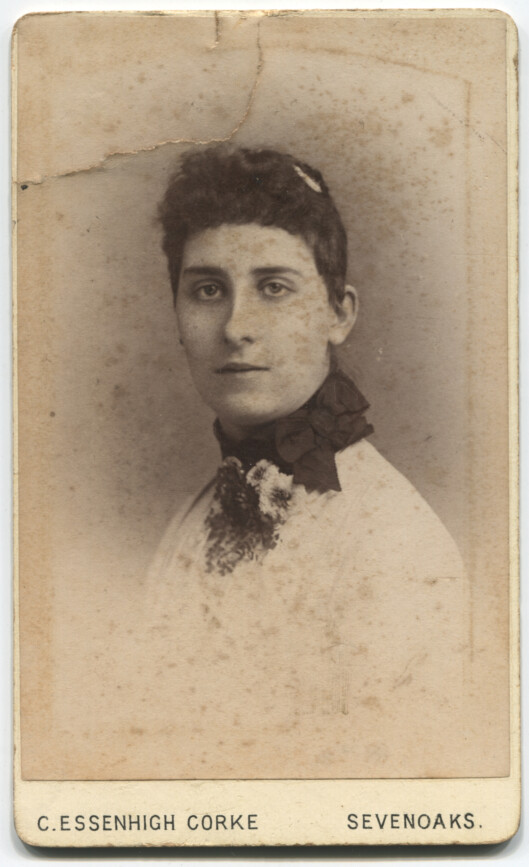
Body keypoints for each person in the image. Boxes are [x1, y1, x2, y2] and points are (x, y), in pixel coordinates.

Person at [138, 145, 471, 779]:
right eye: (207, 289)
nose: (236, 326)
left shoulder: (392, 543)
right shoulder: (197, 515)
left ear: (338, 314)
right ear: (177, 315)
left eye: (274, 288)